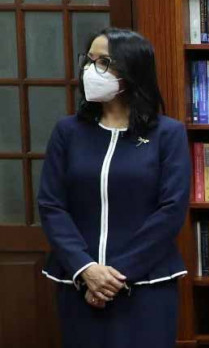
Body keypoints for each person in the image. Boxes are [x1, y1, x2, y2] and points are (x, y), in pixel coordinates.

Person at [38, 28, 191, 348]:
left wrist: (116, 276)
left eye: (104, 62)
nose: (91, 70)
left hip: (147, 285)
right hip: (78, 283)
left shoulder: (168, 133)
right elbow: (52, 205)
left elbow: (172, 209)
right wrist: (86, 270)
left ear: (132, 70)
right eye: (89, 61)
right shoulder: (68, 132)